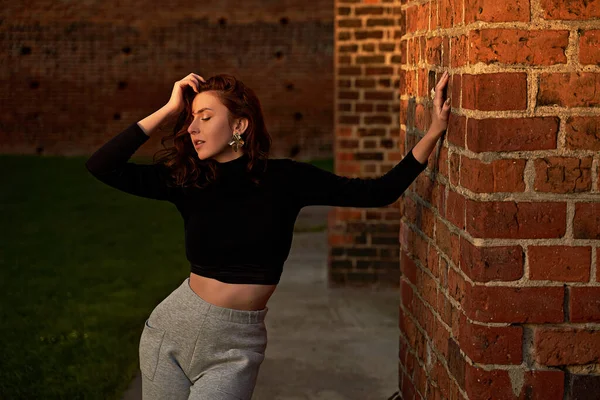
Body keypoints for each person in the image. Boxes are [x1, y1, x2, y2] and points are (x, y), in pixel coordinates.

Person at [85, 71, 451, 399]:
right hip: (173, 330)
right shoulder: (187, 180)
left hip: (238, 346)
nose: (191, 128)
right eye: (191, 118)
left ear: (240, 125)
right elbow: (101, 166)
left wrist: (434, 131)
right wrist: (168, 110)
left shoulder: (286, 180)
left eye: (206, 117)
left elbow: (378, 192)